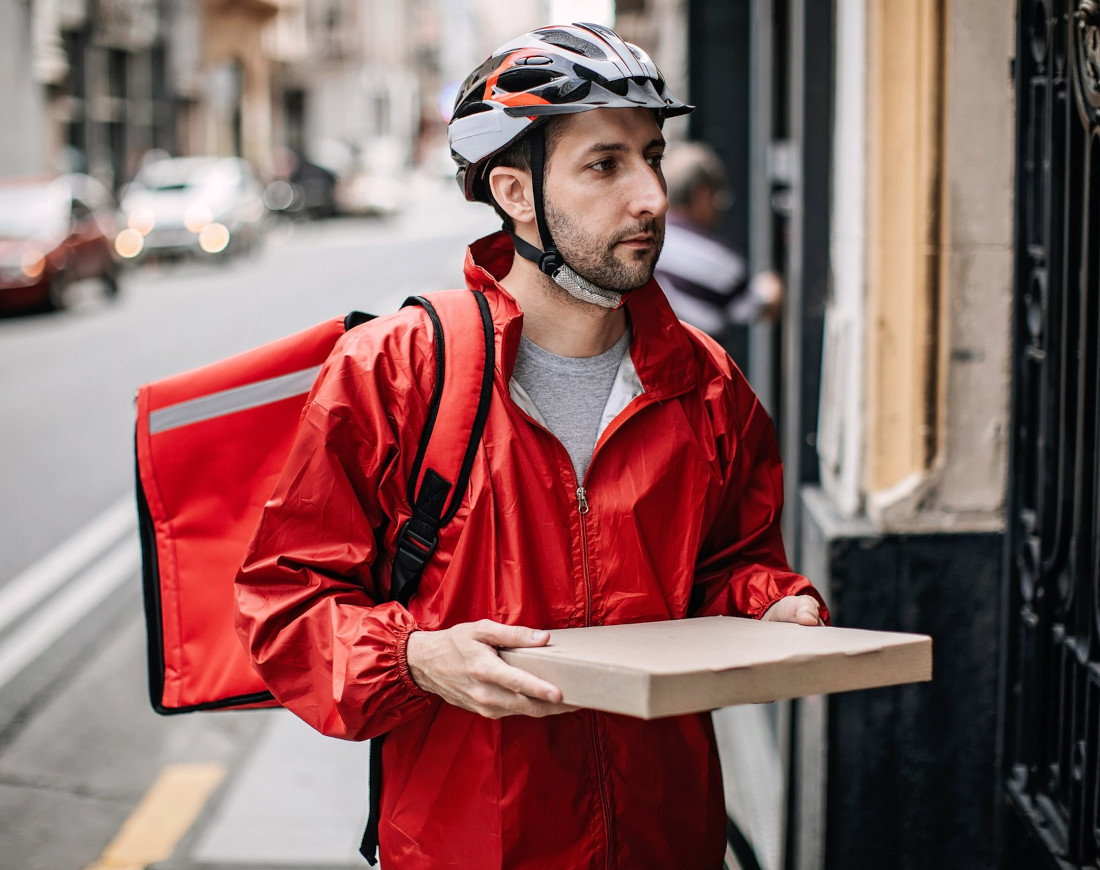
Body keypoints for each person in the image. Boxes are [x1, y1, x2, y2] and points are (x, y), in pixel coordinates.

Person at [235, 22, 826, 870]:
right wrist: (416, 658)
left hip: (669, 838)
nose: (652, 196)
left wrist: (771, 601)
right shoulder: (398, 370)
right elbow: (286, 607)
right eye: (604, 164)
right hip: (469, 846)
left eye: (652, 156)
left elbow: (729, 564)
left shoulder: (709, 384)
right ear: (515, 193)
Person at [654, 141, 782, 351]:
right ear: (700, 193)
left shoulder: (644, 238)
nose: (719, 207)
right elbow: (757, 306)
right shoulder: (712, 256)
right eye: (717, 197)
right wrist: (773, 287)